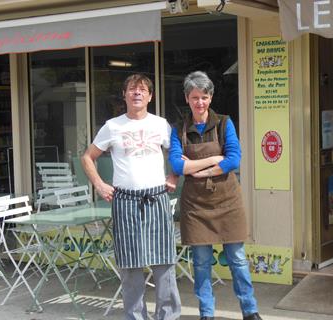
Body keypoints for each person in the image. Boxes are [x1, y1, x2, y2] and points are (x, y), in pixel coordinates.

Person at [82, 74, 181, 320]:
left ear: (150, 96)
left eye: (142, 90)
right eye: (132, 89)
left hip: (157, 197)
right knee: (130, 264)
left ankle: (168, 316)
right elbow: (88, 157)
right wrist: (99, 184)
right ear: (124, 94)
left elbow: (178, 153)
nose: (137, 93)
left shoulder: (161, 124)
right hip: (125, 200)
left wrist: (174, 177)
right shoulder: (112, 126)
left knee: (164, 262)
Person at [169, 71, 262, 320]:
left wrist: (197, 170)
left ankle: (250, 310)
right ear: (187, 99)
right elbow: (177, 167)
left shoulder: (224, 122)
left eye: (205, 96)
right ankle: (206, 313)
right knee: (200, 264)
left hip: (227, 201)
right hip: (196, 206)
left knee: (238, 259)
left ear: (211, 98)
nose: (200, 102)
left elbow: (233, 159)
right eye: (195, 97)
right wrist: (213, 160)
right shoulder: (179, 128)